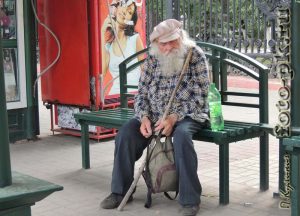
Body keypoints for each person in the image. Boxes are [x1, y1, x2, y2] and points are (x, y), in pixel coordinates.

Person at [100, 19, 210, 216]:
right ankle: (120, 191)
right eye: (162, 43)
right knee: (125, 134)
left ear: (180, 38)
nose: (167, 47)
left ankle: (190, 200)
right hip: (154, 115)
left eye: (171, 42)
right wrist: (143, 118)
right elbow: (141, 93)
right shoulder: (152, 58)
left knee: (183, 137)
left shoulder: (195, 56)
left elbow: (200, 97)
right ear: (156, 43)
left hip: (187, 114)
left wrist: (174, 117)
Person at [101, 0, 144, 96]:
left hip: (134, 96)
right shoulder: (108, 47)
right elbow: (101, 75)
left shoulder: (135, 39)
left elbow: (144, 70)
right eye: (123, 6)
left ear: (130, 20)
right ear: (115, 9)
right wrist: (102, 32)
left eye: (129, 12)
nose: (125, 11)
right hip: (114, 97)